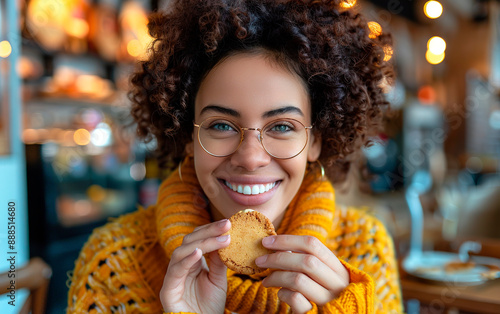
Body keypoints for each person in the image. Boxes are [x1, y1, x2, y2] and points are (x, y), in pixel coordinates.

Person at [67, 0, 403, 313]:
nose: (250, 157)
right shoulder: (113, 260)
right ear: (188, 136)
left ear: (315, 140)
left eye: (283, 126)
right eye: (222, 125)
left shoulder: (364, 251)